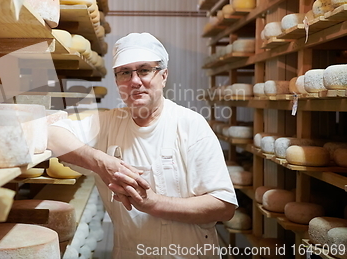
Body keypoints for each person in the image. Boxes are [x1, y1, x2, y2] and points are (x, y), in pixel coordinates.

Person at [48, 32, 238, 258]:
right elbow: (51, 134)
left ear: (164, 75)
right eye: (124, 73)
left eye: (144, 70)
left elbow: (224, 206)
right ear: (117, 81)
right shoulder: (107, 122)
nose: (135, 81)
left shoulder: (190, 125)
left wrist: (153, 204)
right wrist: (101, 162)